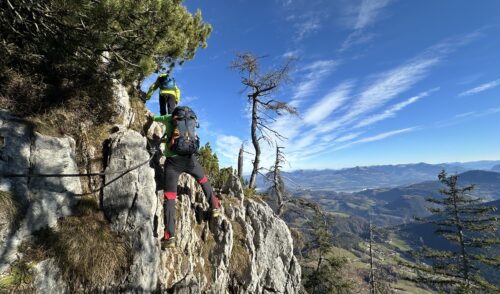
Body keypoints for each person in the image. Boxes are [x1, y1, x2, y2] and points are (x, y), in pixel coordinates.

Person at [148, 109, 220, 249]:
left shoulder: (170, 117)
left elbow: (155, 118)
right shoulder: (190, 120)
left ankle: (170, 236)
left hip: (173, 162)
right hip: (190, 159)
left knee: (170, 197)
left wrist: (151, 117)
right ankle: (215, 207)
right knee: (203, 180)